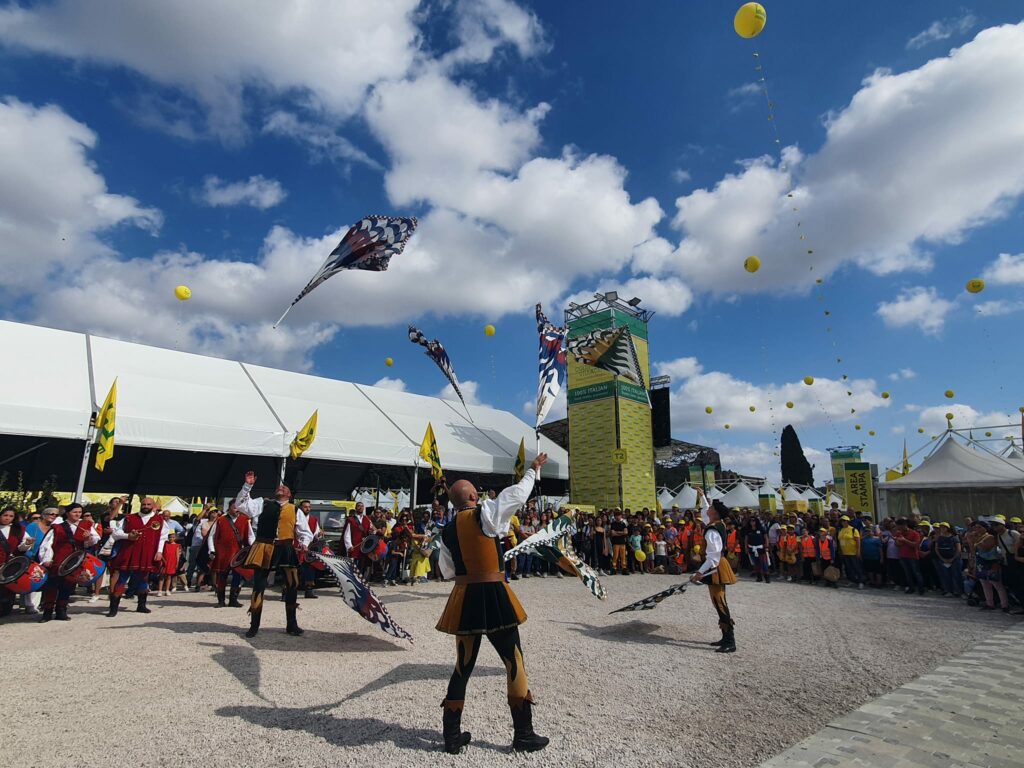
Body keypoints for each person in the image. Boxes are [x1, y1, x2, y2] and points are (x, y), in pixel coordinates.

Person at [436, 452, 549, 755]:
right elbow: (517, 495)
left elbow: (447, 571)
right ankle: (523, 734)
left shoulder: (446, 532)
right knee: (514, 661)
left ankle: (451, 736)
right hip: (494, 596)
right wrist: (533, 470)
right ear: (473, 495)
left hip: (464, 599)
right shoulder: (485, 513)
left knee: (462, 667)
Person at [234, 471, 313, 638]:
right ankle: (254, 625)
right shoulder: (263, 503)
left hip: (286, 548)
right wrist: (247, 486)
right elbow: (241, 505)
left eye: (285, 488)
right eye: (279, 487)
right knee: (259, 586)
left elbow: (305, 532)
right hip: (264, 547)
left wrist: (305, 544)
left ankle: (292, 624)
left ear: (289, 495)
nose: (281, 488)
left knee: (292, 586)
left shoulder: (295, 510)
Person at [691, 490, 737, 653]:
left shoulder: (711, 530)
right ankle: (725, 637)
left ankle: (730, 641)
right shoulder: (716, 524)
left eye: (711, 508)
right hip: (715, 565)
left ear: (715, 514)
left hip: (715, 567)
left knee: (720, 603)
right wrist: (702, 496)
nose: (708, 508)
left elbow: (713, 557)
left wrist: (700, 572)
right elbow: (705, 511)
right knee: (718, 602)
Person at [107, 496, 169, 617]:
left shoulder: (160, 520)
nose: (145, 507)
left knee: (144, 578)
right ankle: (113, 608)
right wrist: (128, 536)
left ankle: (141, 605)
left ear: (153, 506)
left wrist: (159, 552)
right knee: (122, 578)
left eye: (148, 505)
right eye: (144, 504)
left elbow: (162, 537)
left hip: (147, 553)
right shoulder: (129, 518)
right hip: (129, 552)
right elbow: (116, 532)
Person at [37, 503, 100, 621]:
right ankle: (47, 612)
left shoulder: (86, 525)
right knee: (52, 586)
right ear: (68, 513)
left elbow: (93, 541)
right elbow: (47, 544)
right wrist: (46, 559)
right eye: (74, 512)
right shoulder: (57, 527)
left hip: (75, 561)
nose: (77, 514)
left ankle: (61, 610)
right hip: (58, 560)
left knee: (67, 586)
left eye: (79, 512)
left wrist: (89, 538)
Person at [207, 501, 255, 608]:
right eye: (234, 507)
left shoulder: (245, 520)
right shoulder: (220, 520)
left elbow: (251, 536)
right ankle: (221, 600)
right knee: (222, 576)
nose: (237, 510)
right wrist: (212, 550)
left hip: (238, 554)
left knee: (237, 576)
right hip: (222, 553)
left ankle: (233, 600)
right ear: (229, 508)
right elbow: (211, 536)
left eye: (238, 508)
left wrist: (253, 548)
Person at [0, 505, 34, 618]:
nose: (7, 518)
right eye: (5, 515)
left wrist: (27, 544)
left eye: (11, 516)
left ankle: (5, 610)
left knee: (8, 588)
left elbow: (21, 548)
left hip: (11, 563)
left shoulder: (18, 529)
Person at [893, 519, 924, 595]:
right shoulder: (899, 533)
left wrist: (904, 540)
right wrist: (897, 541)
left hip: (912, 556)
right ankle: (911, 588)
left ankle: (921, 589)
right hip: (903, 556)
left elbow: (915, 545)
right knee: (907, 573)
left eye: (899, 526)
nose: (898, 528)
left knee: (916, 573)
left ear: (904, 525)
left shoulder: (914, 533)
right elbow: (897, 545)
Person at [298, 500, 320, 598]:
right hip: (296, 548)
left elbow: (316, 533)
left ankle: (309, 591)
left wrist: (318, 535)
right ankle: (286, 592)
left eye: (309, 507)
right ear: (300, 508)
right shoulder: (295, 518)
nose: (307, 508)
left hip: (308, 549)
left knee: (310, 569)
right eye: (305, 507)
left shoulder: (313, 519)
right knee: (292, 569)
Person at [837, 516, 863, 589]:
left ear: (848, 521)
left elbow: (858, 541)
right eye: (842, 521)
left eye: (845, 521)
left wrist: (858, 551)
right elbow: (839, 541)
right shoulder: (841, 530)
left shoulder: (853, 530)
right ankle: (852, 580)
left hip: (853, 552)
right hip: (845, 553)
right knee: (848, 568)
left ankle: (860, 582)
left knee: (857, 567)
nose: (843, 522)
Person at [609, 509, 628, 576]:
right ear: (614, 516)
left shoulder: (623, 524)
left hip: (622, 542)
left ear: (621, 516)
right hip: (615, 542)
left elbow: (626, 532)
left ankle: (624, 569)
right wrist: (621, 533)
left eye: (619, 515)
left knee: (623, 556)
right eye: (616, 515)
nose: (617, 517)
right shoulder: (613, 524)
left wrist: (617, 532)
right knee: (615, 556)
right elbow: (612, 533)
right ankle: (614, 569)